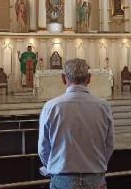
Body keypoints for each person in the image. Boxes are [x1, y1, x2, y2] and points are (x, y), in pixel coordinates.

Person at [38, 58, 114, 189]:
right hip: (95, 177)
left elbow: (43, 149)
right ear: (89, 78)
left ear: (63, 78)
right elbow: (109, 145)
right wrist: (96, 166)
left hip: (62, 177)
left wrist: (54, 165)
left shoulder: (51, 107)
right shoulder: (104, 106)